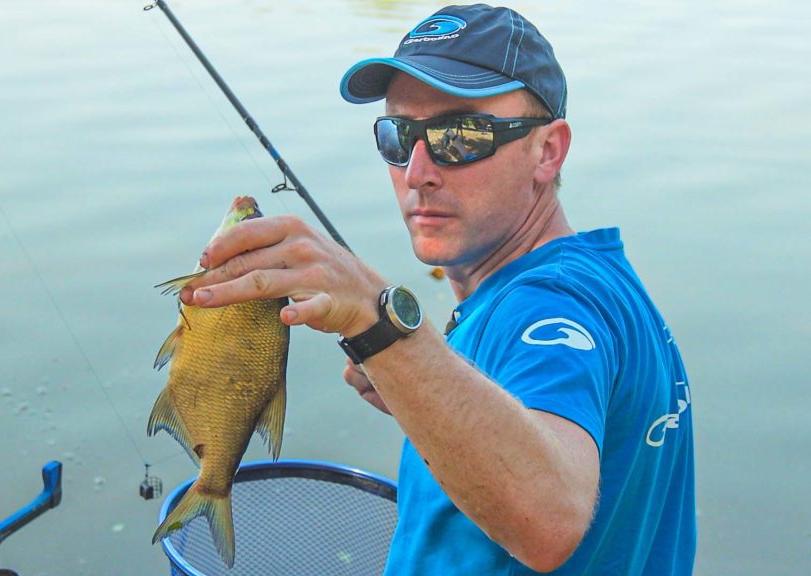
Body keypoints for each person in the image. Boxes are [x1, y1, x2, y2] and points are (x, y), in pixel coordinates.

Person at [178, 4, 695, 574]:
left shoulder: (547, 308)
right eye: (398, 135)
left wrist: (382, 325)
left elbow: (550, 523)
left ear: (547, 151)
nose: (418, 169)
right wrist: (427, 381)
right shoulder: (599, 278)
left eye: (461, 134)